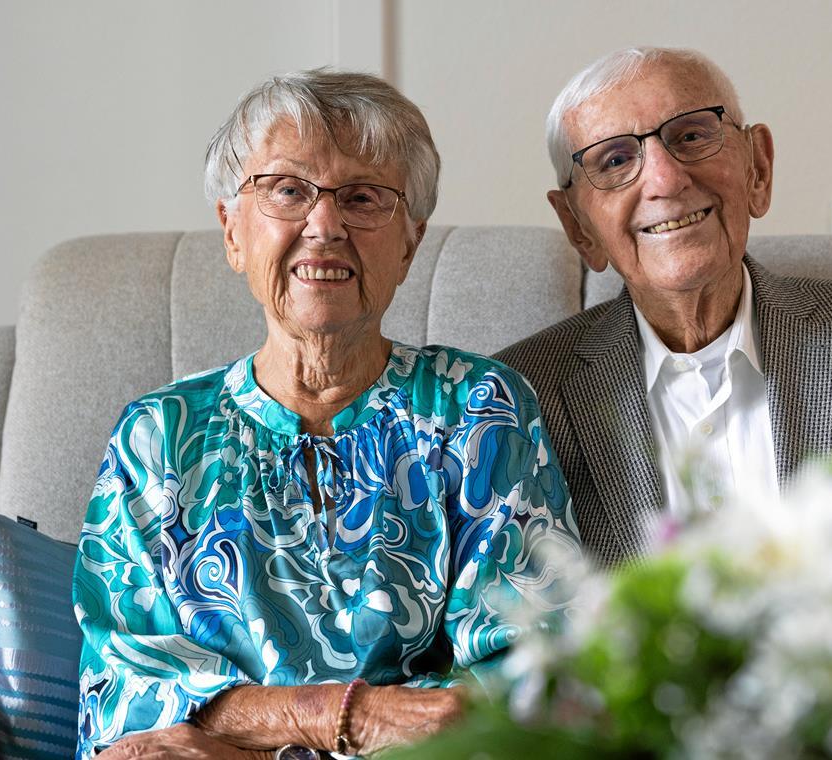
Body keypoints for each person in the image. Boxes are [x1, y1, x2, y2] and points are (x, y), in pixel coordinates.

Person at [73, 69, 579, 759]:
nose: (324, 224)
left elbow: (523, 679)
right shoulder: (158, 437)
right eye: (287, 190)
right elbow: (127, 702)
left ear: (408, 243)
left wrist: (242, 728)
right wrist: (351, 714)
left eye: (363, 197)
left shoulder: (480, 413)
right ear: (232, 232)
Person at [496, 47, 832, 569]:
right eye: (614, 161)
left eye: (691, 136)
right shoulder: (517, 397)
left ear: (759, 169)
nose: (664, 180)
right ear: (578, 228)